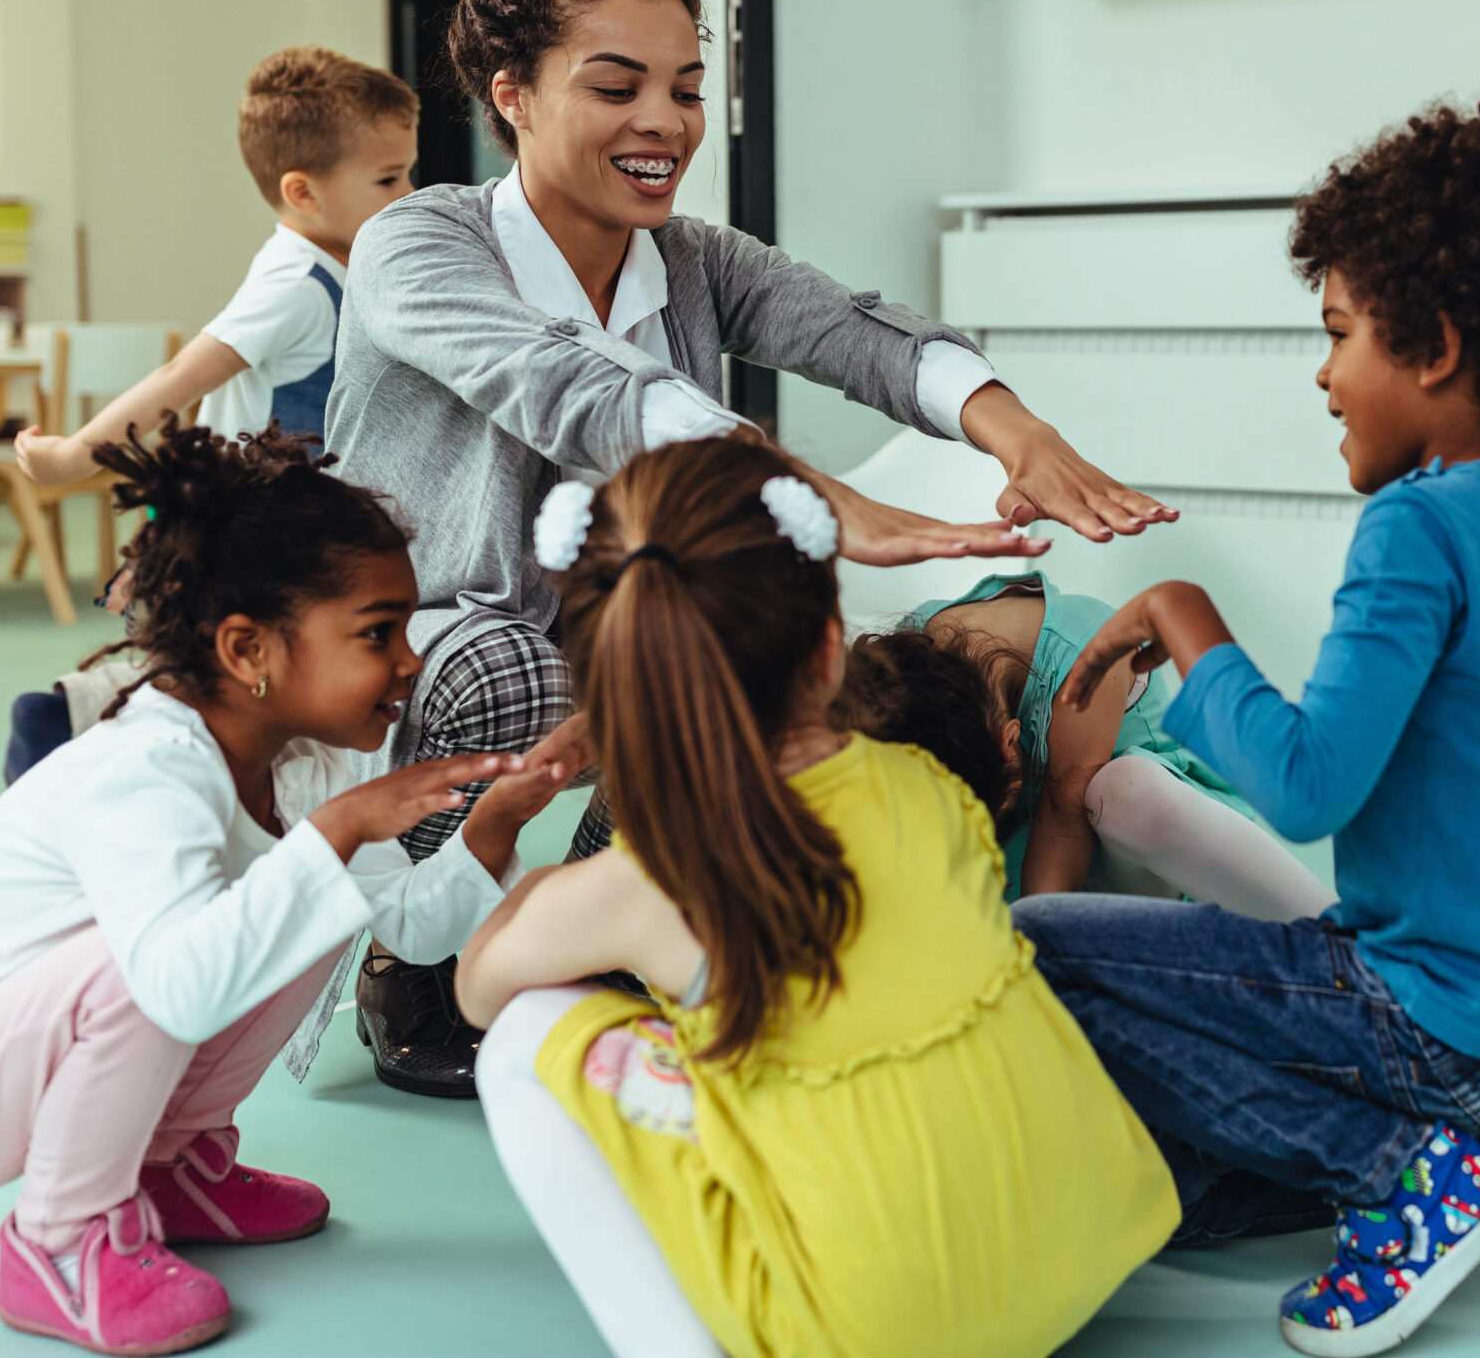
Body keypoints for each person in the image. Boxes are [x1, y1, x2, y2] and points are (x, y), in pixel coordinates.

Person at [327, 0, 1175, 1098]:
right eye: (615, 88)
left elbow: (855, 330)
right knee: (537, 666)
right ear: (509, 95)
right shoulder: (419, 242)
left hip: (596, 630)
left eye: (684, 87)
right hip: (428, 640)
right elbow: (570, 385)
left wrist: (1014, 430)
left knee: (754, 661)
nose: (663, 122)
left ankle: (616, 937)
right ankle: (408, 966)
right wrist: (799, 489)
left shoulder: (694, 259)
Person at [1013, 100, 1480, 1356]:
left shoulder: (1416, 529)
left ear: (1429, 346)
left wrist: (1183, 618)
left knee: (1038, 944)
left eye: (1337, 336)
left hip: (1414, 1017)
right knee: (1181, 1202)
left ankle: (1399, 1174)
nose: (1323, 374)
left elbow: (1306, 786)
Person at [456, 437, 1178, 1357]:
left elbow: (478, 987)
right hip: (1082, 1245)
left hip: (886, 1325)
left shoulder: (653, 876)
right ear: (829, 645)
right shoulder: (923, 784)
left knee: (524, 1041)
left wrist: (551, 878)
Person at [0, 423, 583, 1357]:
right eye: (380, 632)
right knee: (193, 941)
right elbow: (171, 988)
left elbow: (405, 927)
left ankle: (169, 1168)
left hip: (22, 1066)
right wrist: (338, 834)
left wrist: (499, 816)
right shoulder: (149, 766)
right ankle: (57, 1239)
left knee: (311, 897)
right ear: (250, 649)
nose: (411, 659)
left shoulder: (295, 767)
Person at [13, 47, 418, 483]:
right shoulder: (297, 288)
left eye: (408, 173)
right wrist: (71, 458)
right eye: (388, 179)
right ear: (303, 194)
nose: (409, 194)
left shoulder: (335, 269)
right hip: (267, 528)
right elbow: (181, 378)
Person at [832, 576, 1335, 920]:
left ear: (1013, 742)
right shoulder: (900, 672)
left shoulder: (1083, 651)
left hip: (1147, 858)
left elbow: (1060, 835)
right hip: (1016, 866)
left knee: (1119, 792)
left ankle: (1345, 941)